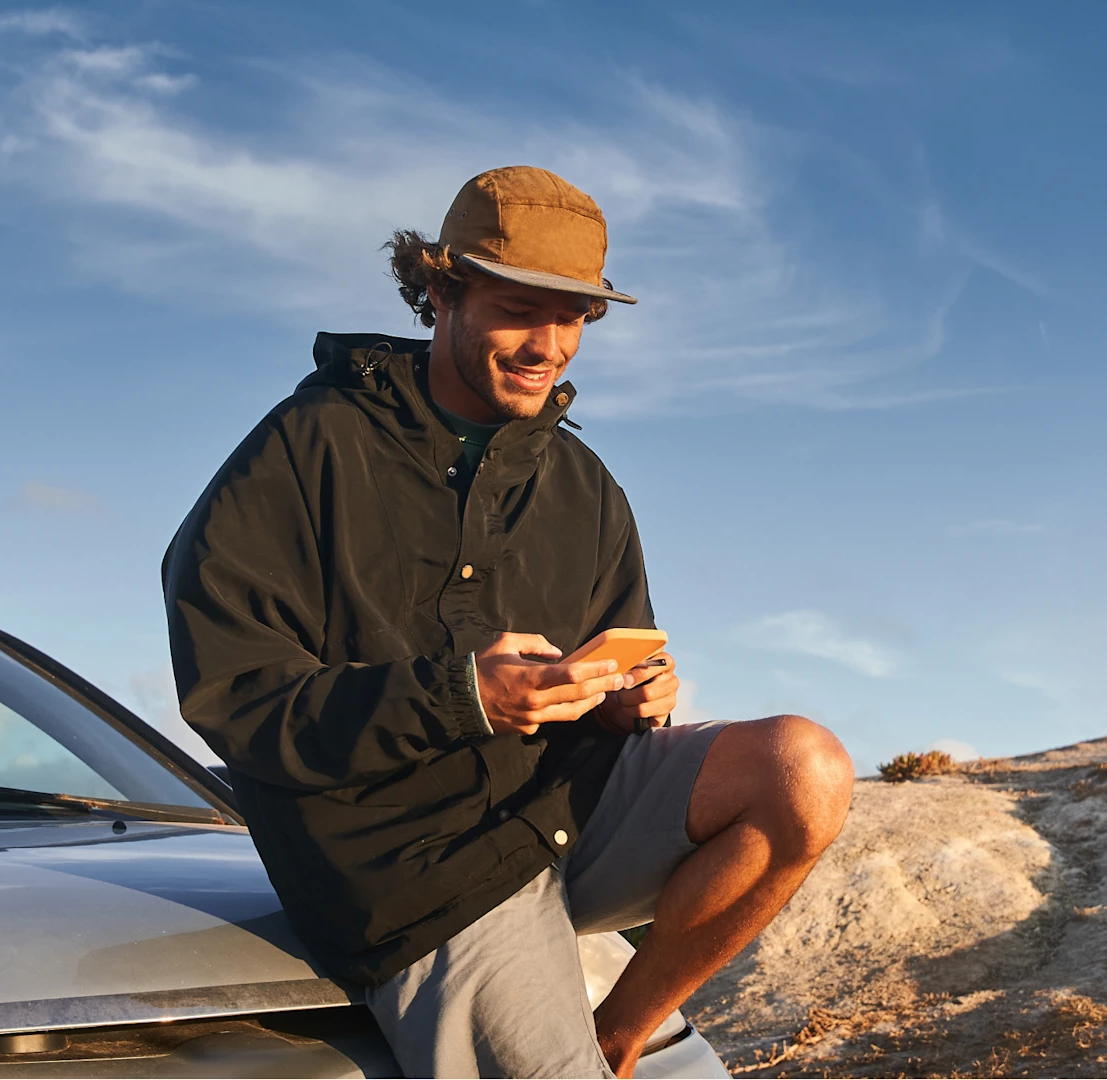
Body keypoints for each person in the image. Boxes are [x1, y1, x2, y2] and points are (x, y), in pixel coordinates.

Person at [161, 165, 854, 1077]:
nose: (550, 344)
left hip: (568, 812)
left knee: (804, 770)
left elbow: (614, 672)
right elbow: (234, 695)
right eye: (523, 307)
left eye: (574, 317)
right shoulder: (307, 445)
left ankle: (619, 1032)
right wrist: (462, 696)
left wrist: (625, 700)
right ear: (441, 289)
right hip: (417, 872)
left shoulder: (584, 484)